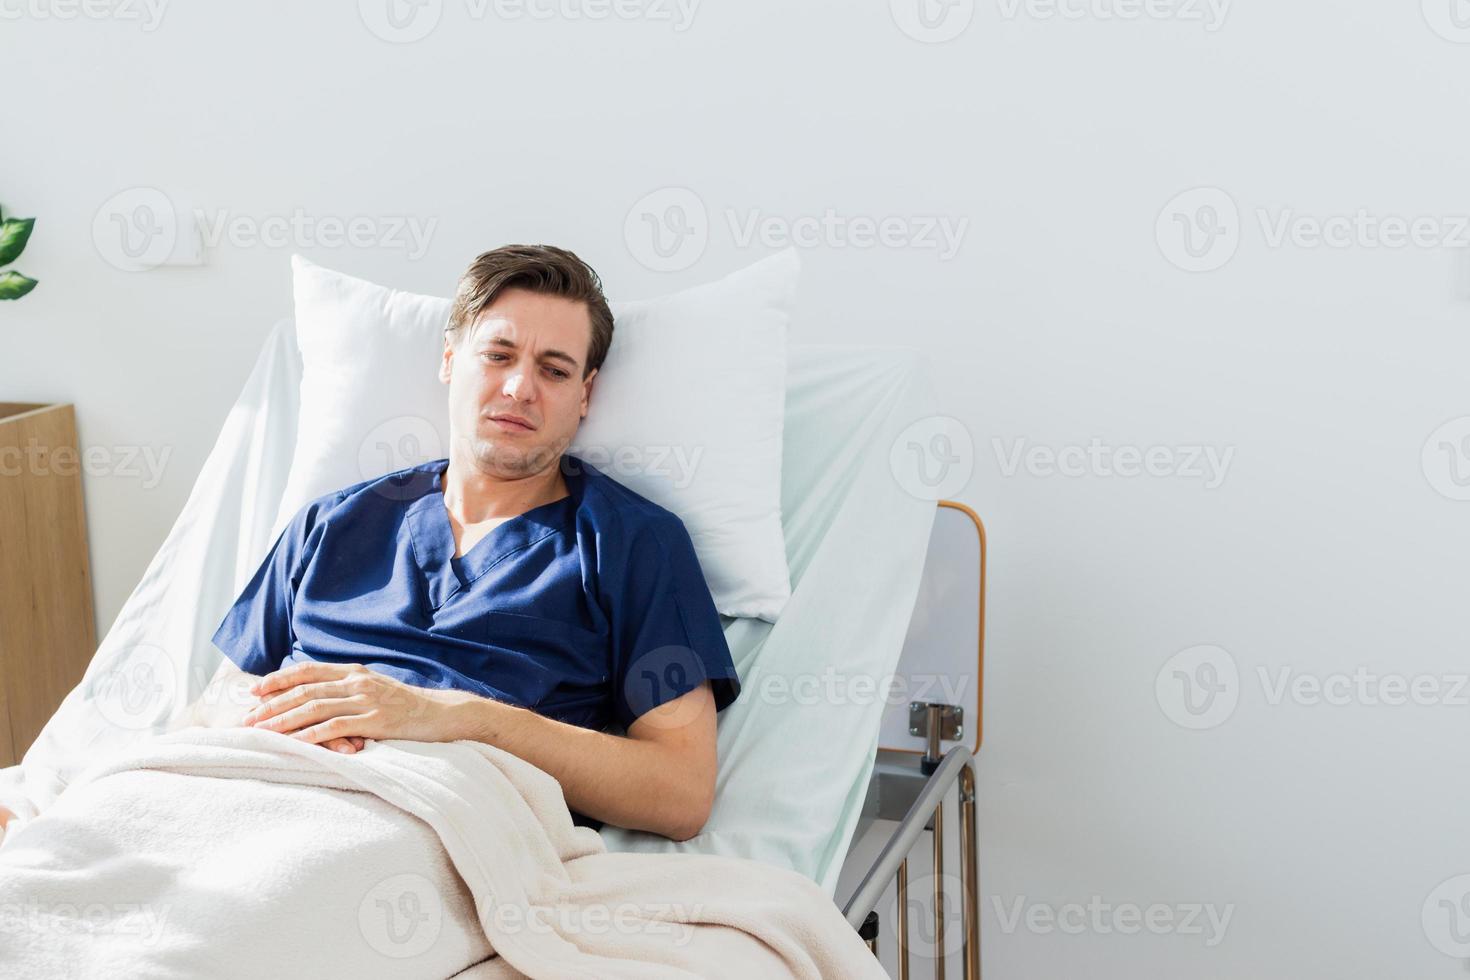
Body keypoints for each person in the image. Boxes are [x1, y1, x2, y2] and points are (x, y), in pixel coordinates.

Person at [0, 245, 740, 843]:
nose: (519, 388)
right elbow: (212, 710)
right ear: (451, 360)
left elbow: (679, 794)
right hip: (249, 789)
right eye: (498, 355)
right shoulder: (333, 524)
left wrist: (450, 715)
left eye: (553, 370)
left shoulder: (631, 543)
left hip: (420, 824)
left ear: (586, 397)